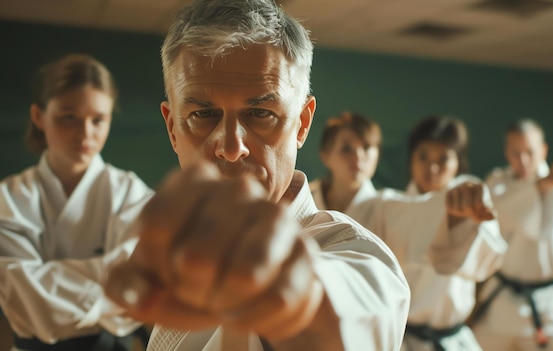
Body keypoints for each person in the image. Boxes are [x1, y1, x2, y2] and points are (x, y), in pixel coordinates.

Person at [103, 0, 411, 350]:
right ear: (173, 129)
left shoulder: (355, 255)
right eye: (203, 115)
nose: (231, 147)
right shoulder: (183, 253)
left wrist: (289, 293)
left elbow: (344, 309)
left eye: (260, 113)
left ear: (302, 124)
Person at [0, 54, 154, 350]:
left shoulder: (131, 193)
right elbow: (24, 302)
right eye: (68, 117)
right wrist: (109, 282)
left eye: (98, 120)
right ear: (38, 116)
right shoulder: (8, 198)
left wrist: (45, 278)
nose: (85, 134)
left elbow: (143, 285)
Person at [349, 115, 507, 351]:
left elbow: (487, 262)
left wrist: (461, 220)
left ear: (458, 163)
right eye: (423, 156)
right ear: (411, 158)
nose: (432, 168)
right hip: (402, 339)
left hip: (453, 340)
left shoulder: (473, 202)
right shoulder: (389, 207)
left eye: (443, 158)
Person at [471, 119, 553, 351]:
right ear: (506, 152)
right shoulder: (497, 182)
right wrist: (537, 189)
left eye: (530, 152)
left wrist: (548, 188)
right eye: (515, 153)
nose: (523, 160)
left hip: (552, 301)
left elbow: (545, 230)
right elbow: (502, 213)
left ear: (544, 150)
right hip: (504, 298)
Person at [309, 111, 381, 214]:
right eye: (347, 149)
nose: (358, 157)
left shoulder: (387, 208)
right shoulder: (299, 200)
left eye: (366, 147)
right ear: (325, 155)